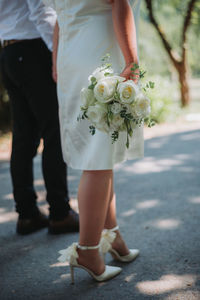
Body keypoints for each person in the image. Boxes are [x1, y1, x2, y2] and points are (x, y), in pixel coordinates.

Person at [44, 0, 142, 282]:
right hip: (99, 50)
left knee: (101, 152)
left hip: (70, 53)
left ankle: (112, 237)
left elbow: (61, 18)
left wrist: (56, 62)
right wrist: (132, 60)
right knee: (98, 156)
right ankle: (87, 250)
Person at [0, 0, 79, 235]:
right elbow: (41, 10)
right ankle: (60, 213)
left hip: (9, 52)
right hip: (34, 49)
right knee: (54, 131)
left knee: (24, 136)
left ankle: (27, 214)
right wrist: (59, 53)